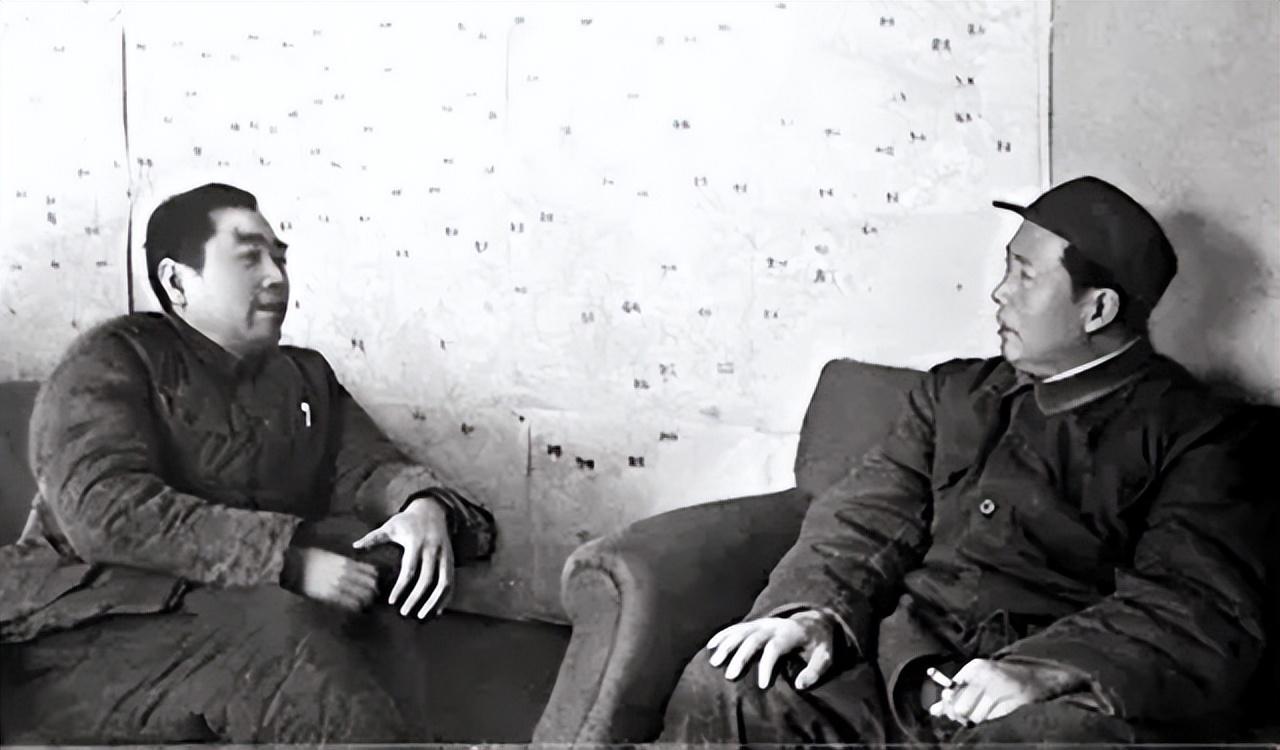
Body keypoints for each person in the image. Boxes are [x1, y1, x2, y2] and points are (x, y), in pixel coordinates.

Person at [658, 176, 1273, 746]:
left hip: (1038, 697)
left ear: (1098, 309)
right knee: (735, 684)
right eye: (1008, 268)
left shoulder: (1203, 435)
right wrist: (812, 611)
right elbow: (863, 520)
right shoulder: (953, 395)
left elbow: (1197, 602)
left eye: (1025, 276)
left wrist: (1044, 671)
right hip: (896, 674)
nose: (1000, 292)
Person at [0, 183, 496, 744]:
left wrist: (419, 504)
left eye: (279, 258)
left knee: (389, 590)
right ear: (176, 281)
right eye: (248, 258)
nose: (276, 277)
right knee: (285, 643)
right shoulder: (113, 358)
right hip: (90, 627)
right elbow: (104, 510)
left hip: (240, 612)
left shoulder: (302, 376)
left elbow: (364, 465)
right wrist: (288, 561)